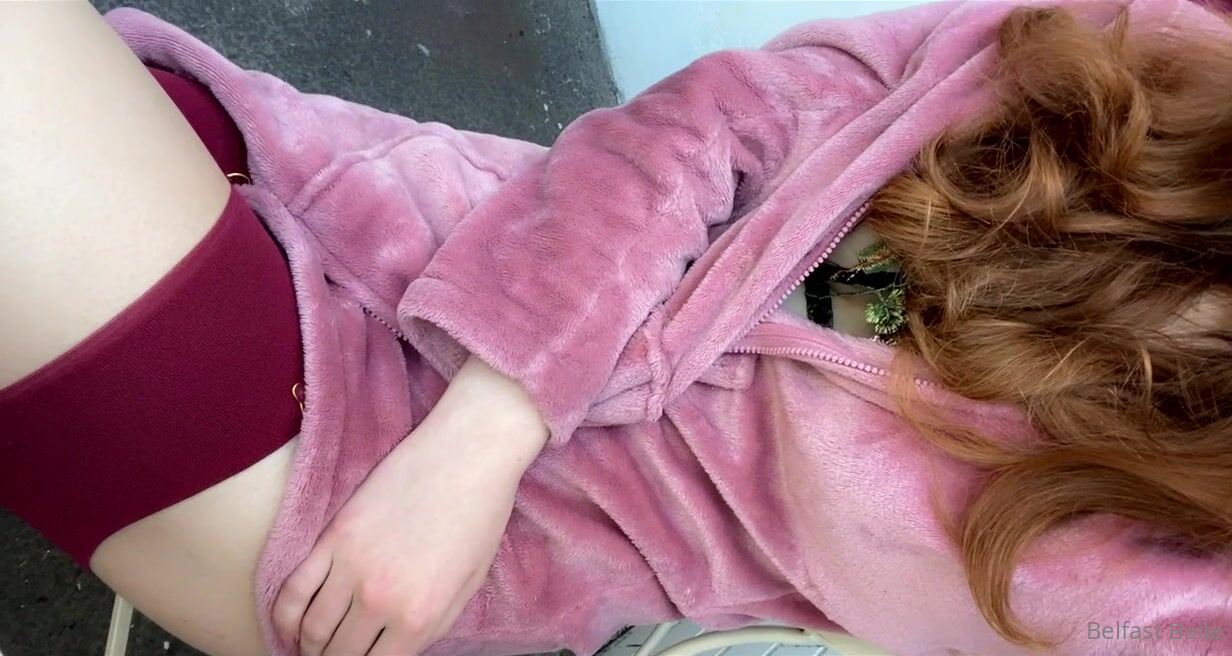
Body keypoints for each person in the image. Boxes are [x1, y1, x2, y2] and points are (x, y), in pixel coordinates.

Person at [3, 1, 1232, 655]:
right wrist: (495, 417)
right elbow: (729, 114)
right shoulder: (1173, 49)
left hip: (332, 500)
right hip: (359, 192)